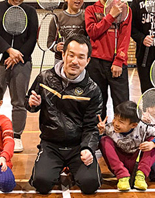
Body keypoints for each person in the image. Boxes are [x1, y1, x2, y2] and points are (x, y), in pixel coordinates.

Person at [27, 34, 103, 194]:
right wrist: (33, 104)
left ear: (88, 61)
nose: (75, 61)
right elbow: (30, 103)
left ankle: (73, 168)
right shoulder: (44, 78)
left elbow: (92, 127)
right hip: (51, 144)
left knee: (91, 185)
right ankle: (55, 166)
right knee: (41, 184)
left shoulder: (93, 90)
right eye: (71, 55)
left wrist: (88, 149)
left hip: (78, 146)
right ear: (63, 55)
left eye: (81, 57)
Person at [0, 0, 38, 153]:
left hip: (22, 62)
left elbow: (32, 38)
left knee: (19, 101)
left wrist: (17, 55)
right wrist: (8, 50)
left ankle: (16, 136)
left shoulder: (30, 12)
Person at [85, 0, 132, 120]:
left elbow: (125, 36)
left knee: (121, 103)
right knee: (98, 102)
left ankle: (123, 137)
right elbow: (92, 32)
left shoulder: (124, 9)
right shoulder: (91, 10)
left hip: (117, 64)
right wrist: (110, 17)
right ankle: (99, 135)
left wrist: (119, 60)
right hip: (96, 63)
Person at [97, 101, 155, 191]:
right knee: (104, 140)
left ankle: (141, 176)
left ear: (134, 125)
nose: (115, 123)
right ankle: (122, 176)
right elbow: (95, 145)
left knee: (153, 140)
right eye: (115, 118)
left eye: (121, 122)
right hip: (120, 164)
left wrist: (152, 144)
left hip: (137, 163)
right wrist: (99, 133)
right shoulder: (109, 128)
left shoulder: (143, 127)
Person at [47, 0, 86, 65]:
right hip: (60, 61)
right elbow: (49, 43)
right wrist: (56, 47)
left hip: (80, 62)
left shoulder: (86, 16)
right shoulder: (56, 18)